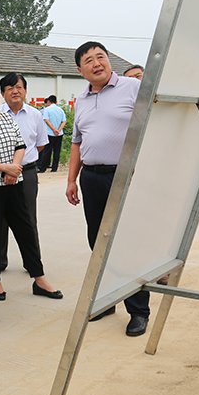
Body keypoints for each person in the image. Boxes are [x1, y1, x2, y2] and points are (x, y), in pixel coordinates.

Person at [66, 41, 150, 337]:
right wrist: (71, 180)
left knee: (126, 243)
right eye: (89, 60)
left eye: (100, 56)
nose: (96, 63)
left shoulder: (132, 87)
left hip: (125, 175)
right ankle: (108, 299)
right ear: (80, 70)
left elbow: (155, 123)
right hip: (91, 178)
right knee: (98, 241)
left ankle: (138, 311)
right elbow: (76, 142)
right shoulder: (82, 100)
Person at [0, 76, 62, 301]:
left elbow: (21, 145)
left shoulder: (7, 118)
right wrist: (5, 169)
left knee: (26, 229)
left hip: (15, 183)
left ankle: (39, 278)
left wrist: (14, 169)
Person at [0, 73, 48, 269]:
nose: (15, 91)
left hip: (27, 173)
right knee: (0, 220)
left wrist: (19, 165)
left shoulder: (35, 115)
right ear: (3, 93)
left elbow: (40, 145)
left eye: (19, 87)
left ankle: (32, 262)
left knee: (28, 218)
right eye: (10, 88)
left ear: (25, 91)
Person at [40, 95, 66, 173]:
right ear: (56, 101)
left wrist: (54, 129)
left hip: (49, 133)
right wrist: (58, 130)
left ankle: (43, 168)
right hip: (59, 134)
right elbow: (64, 121)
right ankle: (54, 168)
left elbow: (46, 120)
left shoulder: (47, 109)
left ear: (49, 101)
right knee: (57, 151)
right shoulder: (60, 110)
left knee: (47, 151)